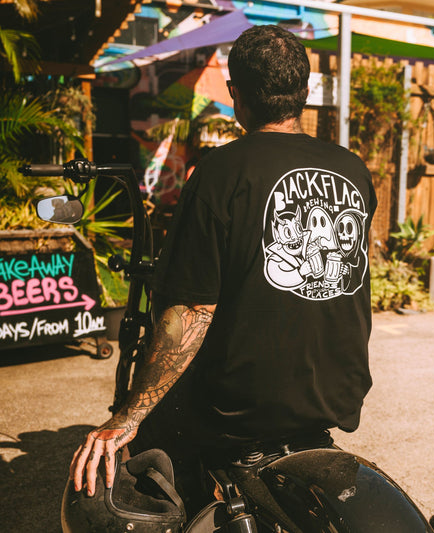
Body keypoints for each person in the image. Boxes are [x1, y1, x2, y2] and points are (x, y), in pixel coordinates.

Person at [70, 24, 377, 506]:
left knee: (149, 450)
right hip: (334, 397)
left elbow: (191, 311)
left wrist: (127, 417)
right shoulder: (353, 169)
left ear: (236, 93)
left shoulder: (219, 171)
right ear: (304, 91)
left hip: (238, 411)